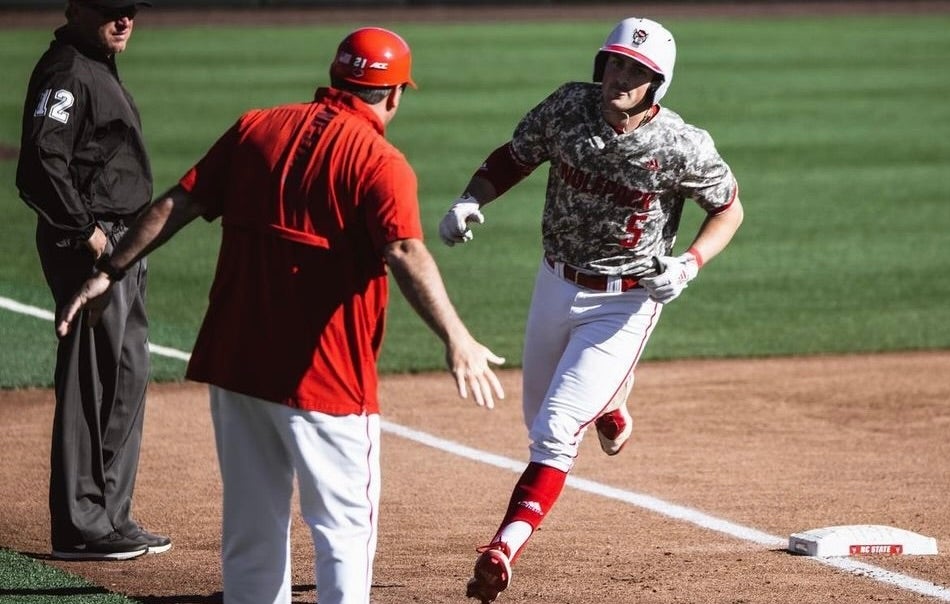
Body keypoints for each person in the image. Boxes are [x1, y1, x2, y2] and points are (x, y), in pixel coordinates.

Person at [56, 27, 506, 604]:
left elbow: (179, 201)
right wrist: (457, 337)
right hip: (327, 382)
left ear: (337, 76)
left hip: (236, 368)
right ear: (393, 96)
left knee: (251, 532)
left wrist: (109, 271)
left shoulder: (255, 128)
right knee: (343, 531)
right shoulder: (380, 161)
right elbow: (404, 251)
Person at [439, 16, 745, 603]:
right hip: (555, 281)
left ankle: (502, 548)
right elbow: (515, 156)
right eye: (614, 63)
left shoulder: (681, 145)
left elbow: (729, 208)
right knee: (537, 419)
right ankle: (612, 402)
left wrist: (689, 264)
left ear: (658, 83)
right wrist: (471, 197)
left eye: (636, 70)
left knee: (554, 432)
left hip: (627, 301)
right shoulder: (566, 109)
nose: (620, 77)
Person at [15, 0, 170, 561]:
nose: (124, 19)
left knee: (127, 373)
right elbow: (38, 161)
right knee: (92, 379)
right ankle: (82, 525)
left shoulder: (96, 63)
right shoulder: (67, 71)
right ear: (76, 9)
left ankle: (110, 517)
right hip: (94, 245)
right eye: (111, 9)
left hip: (123, 240)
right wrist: (89, 235)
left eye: (130, 9)